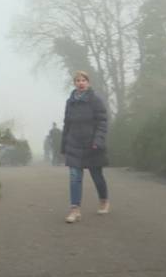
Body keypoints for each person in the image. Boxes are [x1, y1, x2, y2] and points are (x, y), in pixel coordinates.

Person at [61, 71, 109, 223]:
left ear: (88, 83)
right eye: (77, 80)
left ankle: (104, 200)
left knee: (97, 176)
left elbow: (102, 121)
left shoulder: (95, 100)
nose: (81, 83)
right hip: (74, 144)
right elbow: (67, 124)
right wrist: (64, 144)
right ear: (74, 83)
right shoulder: (70, 102)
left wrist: (98, 140)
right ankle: (75, 210)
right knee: (75, 177)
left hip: (92, 145)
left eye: (84, 80)